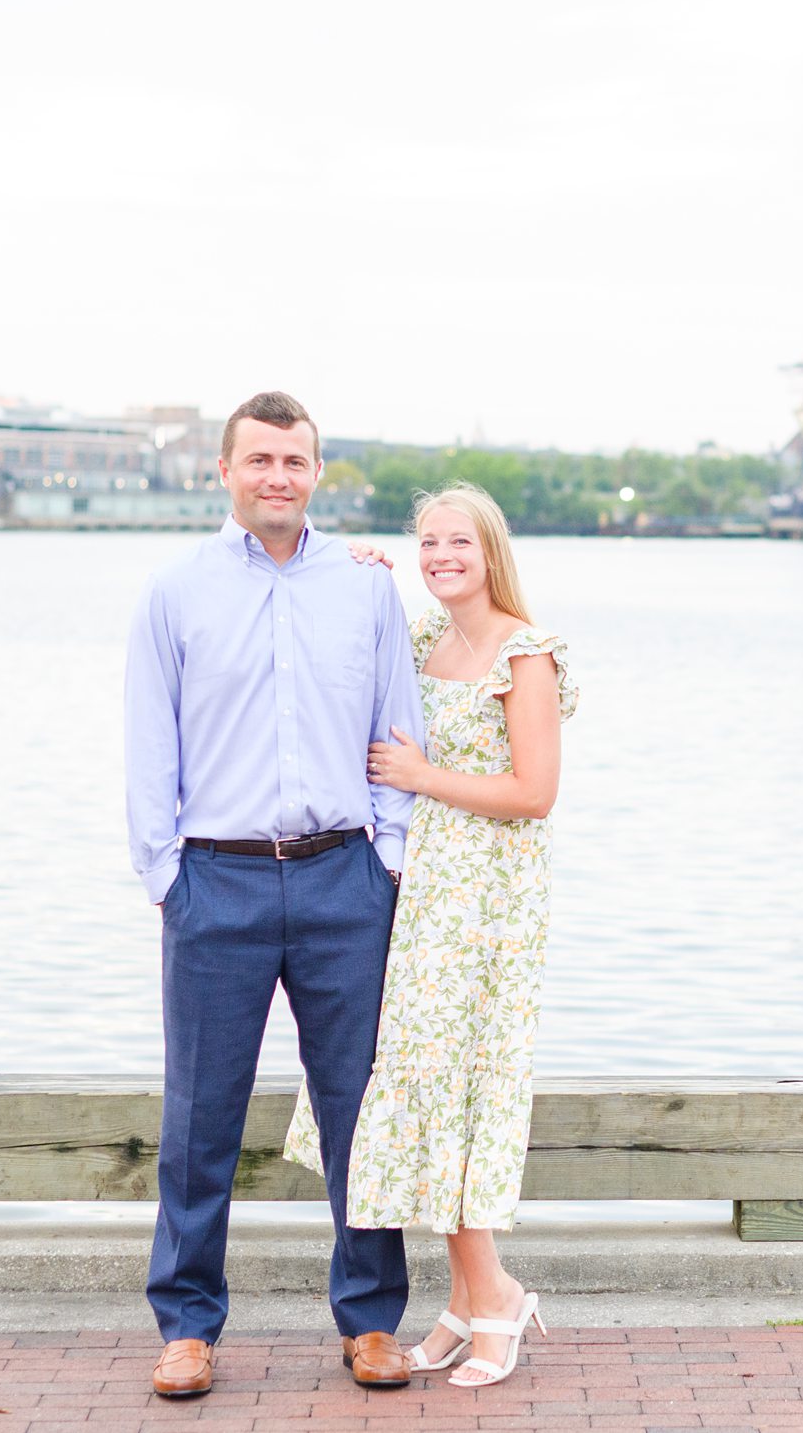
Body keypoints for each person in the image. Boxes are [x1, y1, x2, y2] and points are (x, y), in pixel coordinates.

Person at [125, 391, 425, 1397]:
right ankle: (188, 1324)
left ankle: (372, 1319)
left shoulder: (366, 588)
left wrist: (386, 855)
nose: (278, 477)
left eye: (295, 461)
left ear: (317, 472)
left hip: (346, 879)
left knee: (360, 1111)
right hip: (217, 881)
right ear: (225, 471)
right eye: (259, 460)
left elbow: (398, 730)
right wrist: (167, 874)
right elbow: (148, 745)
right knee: (201, 1115)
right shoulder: (175, 592)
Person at [284, 480, 575, 1390]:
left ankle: (496, 1301)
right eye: (428, 544)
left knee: (458, 1089)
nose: (443, 556)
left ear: (492, 550)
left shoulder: (524, 655)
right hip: (419, 898)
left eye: (460, 542)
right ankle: (466, 1301)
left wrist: (422, 772)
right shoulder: (424, 637)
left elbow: (534, 793)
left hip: (484, 909)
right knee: (417, 1087)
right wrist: (356, 565)